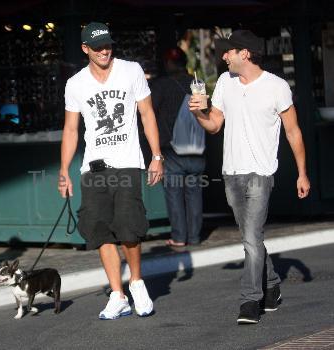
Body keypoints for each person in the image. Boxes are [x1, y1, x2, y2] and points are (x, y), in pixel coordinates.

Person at [189, 30, 310, 324]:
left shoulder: (276, 87)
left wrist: (302, 173)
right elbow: (215, 124)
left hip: (260, 172)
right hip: (231, 172)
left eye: (228, 51)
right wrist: (198, 113)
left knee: (251, 238)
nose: (224, 56)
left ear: (245, 53)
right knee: (251, 238)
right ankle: (272, 287)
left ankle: (250, 301)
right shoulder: (224, 85)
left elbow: (293, 131)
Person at [58, 22, 163, 320]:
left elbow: (147, 114)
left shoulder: (131, 71)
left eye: (108, 45)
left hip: (128, 162)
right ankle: (118, 295)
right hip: (93, 167)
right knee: (100, 228)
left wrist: (157, 156)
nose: (105, 51)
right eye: (98, 46)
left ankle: (137, 283)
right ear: (85, 49)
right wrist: (64, 169)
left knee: (129, 226)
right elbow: (71, 129)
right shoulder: (75, 83)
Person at [151, 47, 205, 247]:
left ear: (169, 64)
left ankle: (180, 236)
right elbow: (204, 110)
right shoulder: (197, 83)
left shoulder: (162, 85)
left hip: (172, 149)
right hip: (197, 147)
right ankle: (195, 236)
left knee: (174, 193)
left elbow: (149, 112)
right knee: (194, 194)